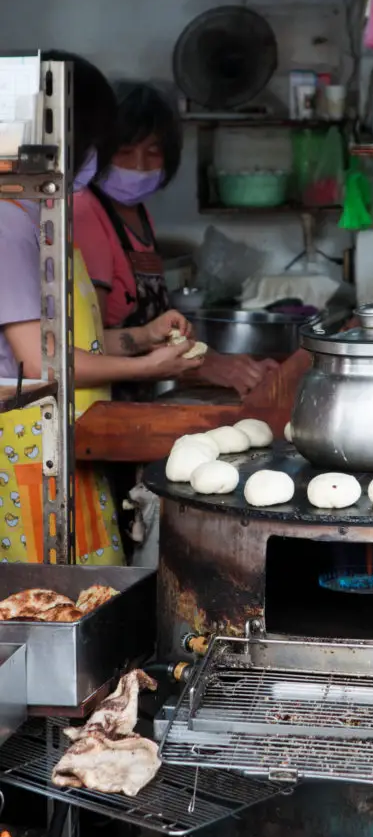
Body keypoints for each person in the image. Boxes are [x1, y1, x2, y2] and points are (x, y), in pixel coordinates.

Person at [0, 52, 203, 565]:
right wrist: (144, 366)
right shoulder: (8, 222)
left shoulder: (37, 211)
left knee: (87, 589)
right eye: (99, 140)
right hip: (22, 444)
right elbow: (38, 362)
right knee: (44, 602)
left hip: (63, 438)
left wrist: (143, 337)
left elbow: (62, 339)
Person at [74, 80, 277, 399]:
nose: (139, 167)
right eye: (125, 152)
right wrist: (202, 364)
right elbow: (91, 342)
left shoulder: (139, 213)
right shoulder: (87, 211)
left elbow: (152, 333)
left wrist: (213, 361)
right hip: (103, 398)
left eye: (153, 152)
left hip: (138, 394)